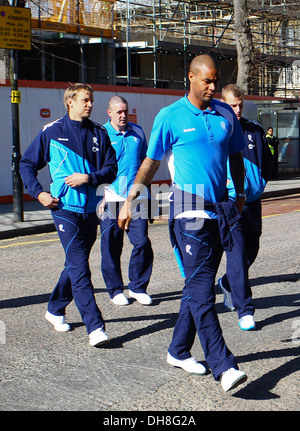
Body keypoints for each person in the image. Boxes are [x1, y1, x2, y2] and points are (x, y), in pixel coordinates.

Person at [118, 54, 248, 392]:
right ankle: (224, 365)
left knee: (196, 287)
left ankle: (177, 350)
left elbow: (235, 156)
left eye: (215, 80)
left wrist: (240, 196)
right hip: (187, 210)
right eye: (206, 80)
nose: (212, 86)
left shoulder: (223, 115)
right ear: (190, 78)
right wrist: (130, 199)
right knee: (203, 290)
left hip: (220, 210)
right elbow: (150, 163)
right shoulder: (170, 116)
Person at [20, 83, 117, 347]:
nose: (90, 104)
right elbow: (27, 164)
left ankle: (54, 308)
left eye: (91, 100)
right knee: (80, 265)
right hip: (63, 209)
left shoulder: (99, 132)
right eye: (85, 100)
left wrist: (90, 177)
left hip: (91, 209)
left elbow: (111, 169)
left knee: (75, 263)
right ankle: (95, 326)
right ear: (70, 102)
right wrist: (38, 193)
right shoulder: (52, 131)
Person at [219, 84, 273, 330]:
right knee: (238, 253)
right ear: (223, 104)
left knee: (252, 248)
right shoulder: (219, 131)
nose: (237, 109)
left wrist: (260, 183)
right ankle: (245, 309)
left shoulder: (255, 129)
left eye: (240, 104)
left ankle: (229, 282)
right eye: (232, 105)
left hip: (252, 200)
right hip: (230, 201)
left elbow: (267, 161)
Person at [99, 96, 153, 306]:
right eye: (119, 112)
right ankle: (115, 290)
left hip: (137, 198)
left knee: (141, 243)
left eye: (125, 111)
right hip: (110, 197)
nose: (123, 115)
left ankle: (137, 287)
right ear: (109, 113)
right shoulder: (101, 133)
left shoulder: (137, 132)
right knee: (111, 246)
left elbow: (145, 164)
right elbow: (95, 167)